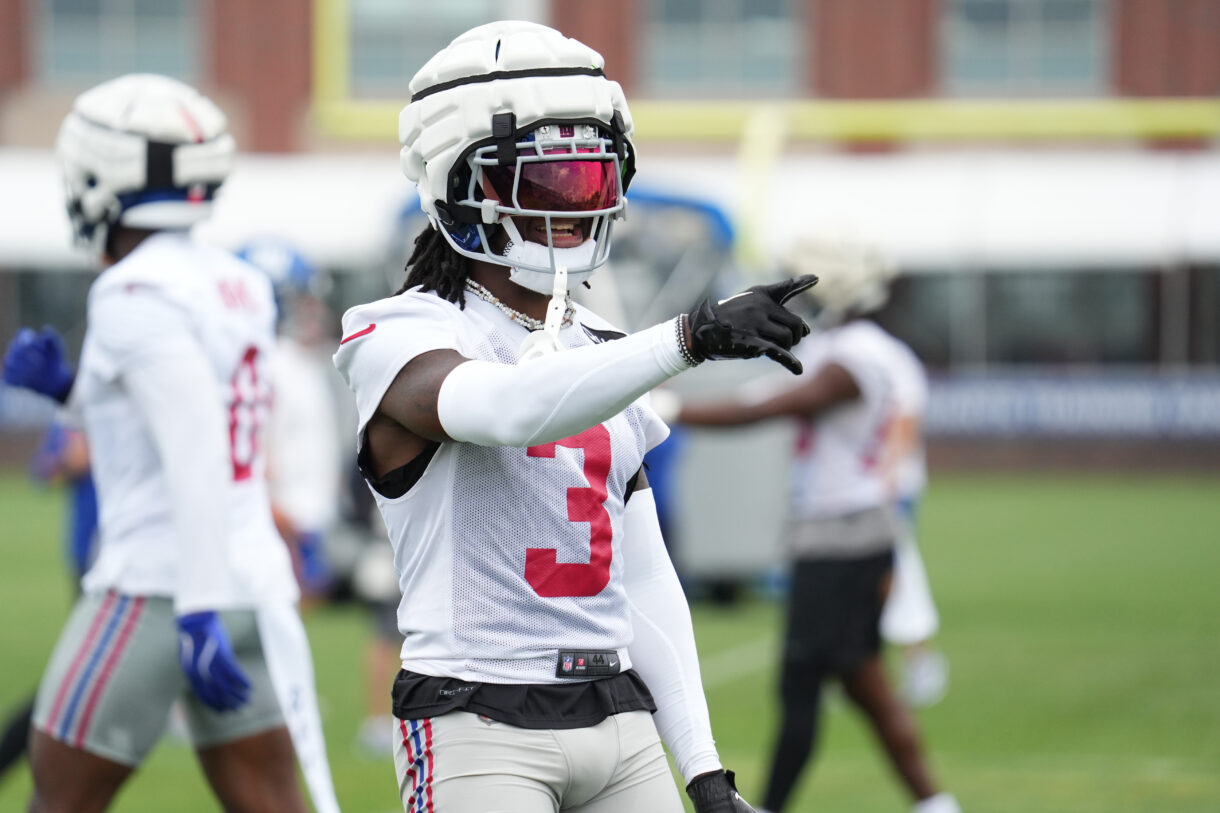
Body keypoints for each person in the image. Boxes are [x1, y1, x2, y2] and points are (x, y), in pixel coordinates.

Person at [333, 20, 815, 813]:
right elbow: (503, 406)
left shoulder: (603, 350)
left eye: (593, 179)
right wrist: (688, 338)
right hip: (475, 718)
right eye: (548, 181)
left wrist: (703, 768)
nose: (576, 203)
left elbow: (643, 575)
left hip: (617, 718)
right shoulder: (399, 330)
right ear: (464, 182)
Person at [1, 74, 337, 813]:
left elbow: (194, 446)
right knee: (272, 802)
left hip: (164, 588)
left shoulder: (131, 291)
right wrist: (69, 393)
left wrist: (195, 609)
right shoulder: (239, 282)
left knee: (55, 800)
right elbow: (184, 412)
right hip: (255, 585)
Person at [669, 233, 960, 813]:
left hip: (844, 536)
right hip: (845, 531)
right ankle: (935, 803)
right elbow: (764, 397)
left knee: (800, 683)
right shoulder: (850, 346)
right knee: (860, 679)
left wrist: (672, 409)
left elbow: (769, 408)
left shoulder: (856, 355)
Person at [237, 240, 344, 602]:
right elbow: (252, 459)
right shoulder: (267, 365)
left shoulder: (296, 361)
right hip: (280, 530)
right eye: (301, 299)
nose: (312, 310)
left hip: (302, 527)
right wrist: (286, 525)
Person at [0, 421, 98, 782]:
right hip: (93, 562)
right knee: (77, 678)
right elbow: (43, 472)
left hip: (146, 564)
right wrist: (70, 461)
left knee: (82, 677)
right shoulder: (78, 409)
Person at [878, 335, 950, 709]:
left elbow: (906, 419)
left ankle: (921, 663)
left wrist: (886, 477)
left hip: (886, 489)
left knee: (896, 573)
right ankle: (857, 668)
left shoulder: (887, 355)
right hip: (857, 492)